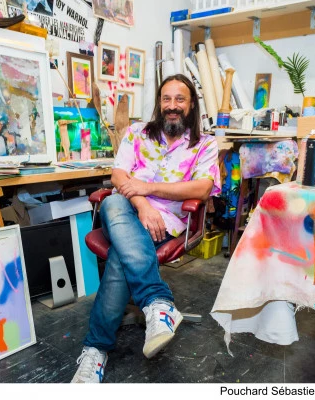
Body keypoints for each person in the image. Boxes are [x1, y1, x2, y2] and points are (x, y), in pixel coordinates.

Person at [71, 74, 221, 383]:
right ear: (159, 103)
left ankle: (96, 350)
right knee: (114, 202)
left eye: (180, 99)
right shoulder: (138, 132)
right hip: (129, 210)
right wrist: (143, 205)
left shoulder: (204, 144)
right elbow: (118, 176)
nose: (172, 106)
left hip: (165, 224)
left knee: (119, 258)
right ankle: (157, 303)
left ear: (192, 104)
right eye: (166, 99)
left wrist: (149, 188)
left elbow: (203, 188)